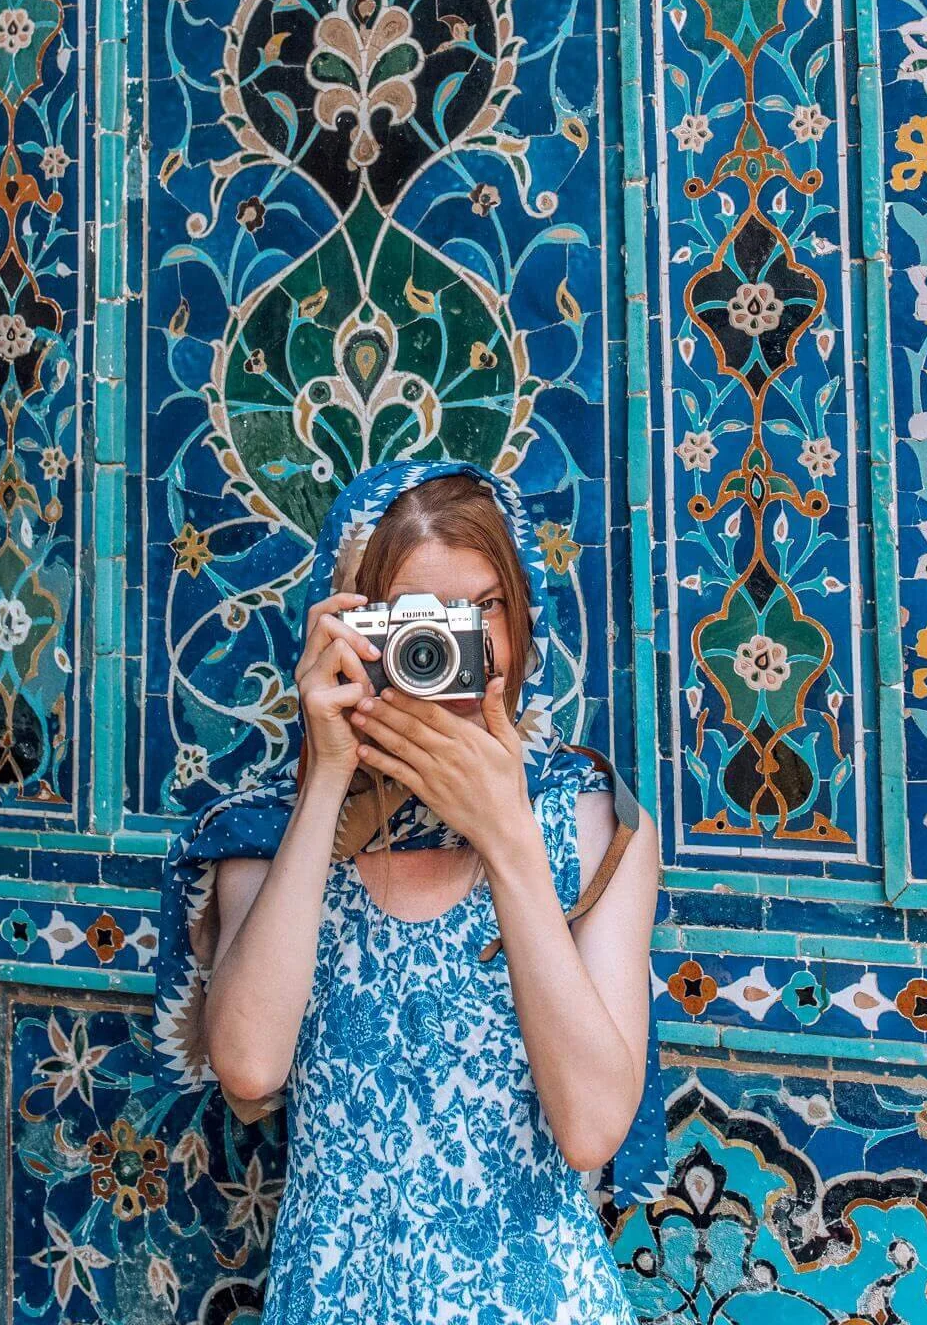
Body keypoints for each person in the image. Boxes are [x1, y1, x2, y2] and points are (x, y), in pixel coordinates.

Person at [154, 459, 665, 1324]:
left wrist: (506, 838)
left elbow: (589, 1130)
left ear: (523, 615)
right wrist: (324, 780)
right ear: (349, 628)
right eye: (411, 621)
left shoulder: (587, 822)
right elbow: (248, 1066)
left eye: (482, 609)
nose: (448, 649)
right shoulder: (267, 832)